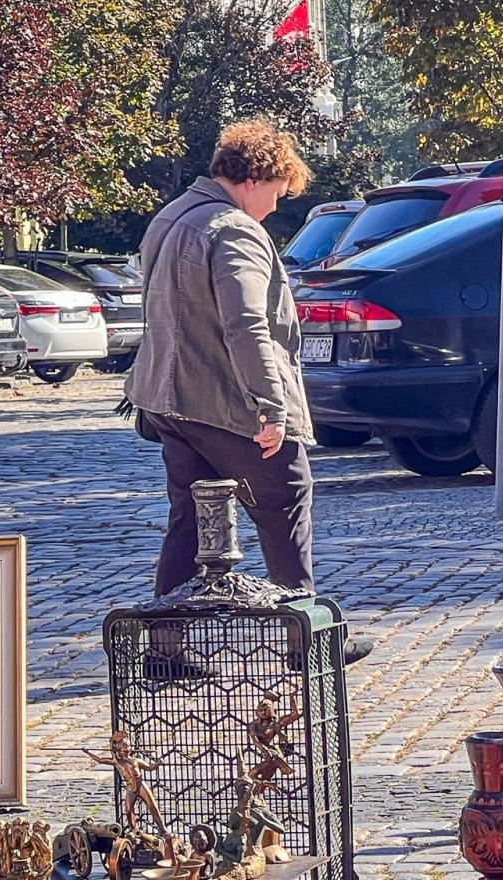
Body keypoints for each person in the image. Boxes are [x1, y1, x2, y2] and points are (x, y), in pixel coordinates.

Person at [127, 119, 316, 601]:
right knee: (286, 497)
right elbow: (246, 324)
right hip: (222, 401)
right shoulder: (234, 229)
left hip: (167, 401)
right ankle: (306, 637)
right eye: (276, 191)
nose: (275, 206)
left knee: (190, 520)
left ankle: (165, 649)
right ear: (252, 179)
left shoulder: (171, 216)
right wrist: (272, 406)